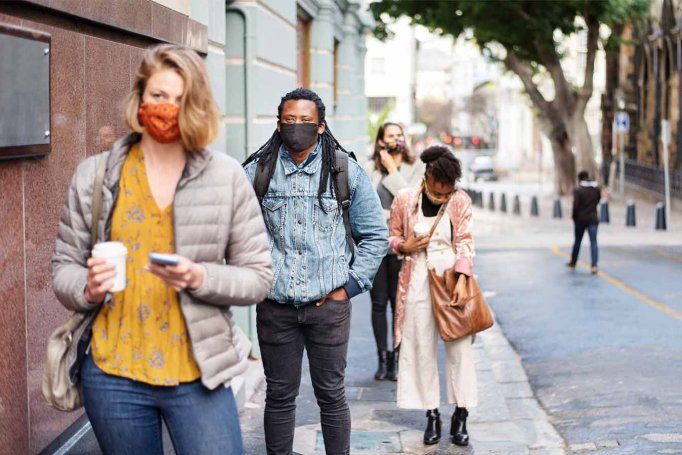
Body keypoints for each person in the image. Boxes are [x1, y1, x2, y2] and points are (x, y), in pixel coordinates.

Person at [51, 44, 273, 454]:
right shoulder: (95, 176)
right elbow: (63, 267)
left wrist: (200, 276)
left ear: (197, 106)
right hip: (113, 374)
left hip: (196, 371)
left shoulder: (225, 177)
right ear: (139, 98)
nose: (168, 108)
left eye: (180, 99)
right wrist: (87, 288)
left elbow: (258, 277)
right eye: (158, 95)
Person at [243, 88, 388, 455]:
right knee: (279, 396)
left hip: (329, 306)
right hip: (275, 307)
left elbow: (375, 235)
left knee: (332, 395)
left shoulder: (344, 171)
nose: (297, 128)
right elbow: (234, 232)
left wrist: (350, 286)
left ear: (320, 126)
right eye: (289, 121)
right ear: (278, 125)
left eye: (305, 121)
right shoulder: (257, 172)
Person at [388, 145, 477, 447]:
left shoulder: (460, 200)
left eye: (447, 192)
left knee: (460, 347)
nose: (442, 198)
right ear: (426, 177)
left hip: (452, 279)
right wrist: (404, 246)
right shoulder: (404, 199)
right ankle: (432, 414)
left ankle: (461, 413)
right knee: (420, 347)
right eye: (438, 193)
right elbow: (392, 236)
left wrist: (464, 277)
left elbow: (465, 240)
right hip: (416, 280)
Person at [364, 122, 424, 381]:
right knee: (379, 304)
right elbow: (363, 205)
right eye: (390, 136)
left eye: (399, 135)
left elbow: (411, 200)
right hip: (377, 243)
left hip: (404, 244)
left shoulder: (416, 167)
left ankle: (399, 359)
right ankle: (383, 359)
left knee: (400, 305)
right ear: (380, 142)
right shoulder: (368, 169)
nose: (396, 140)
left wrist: (391, 169)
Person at [568, 170, 601, 274]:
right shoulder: (596, 189)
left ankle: (573, 262)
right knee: (594, 242)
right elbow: (598, 200)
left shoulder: (578, 190)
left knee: (577, 241)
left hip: (580, 219)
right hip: (593, 218)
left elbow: (575, 206)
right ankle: (594, 265)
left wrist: (573, 217)